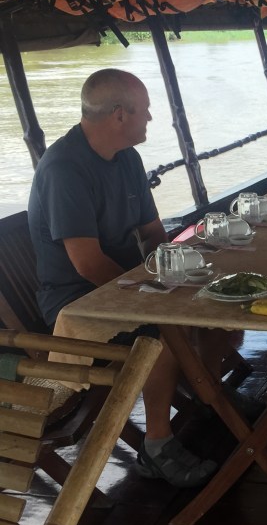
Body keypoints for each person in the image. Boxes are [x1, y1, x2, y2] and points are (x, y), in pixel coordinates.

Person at [27, 68, 217, 488]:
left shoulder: (127, 158)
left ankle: (211, 392)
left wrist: (173, 269)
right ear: (118, 115)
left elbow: (152, 232)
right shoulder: (65, 169)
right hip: (75, 301)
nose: (150, 119)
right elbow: (87, 265)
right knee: (157, 336)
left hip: (124, 280)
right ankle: (157, 445)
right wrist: (150, 293)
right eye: (145, 111)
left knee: (211, 299)